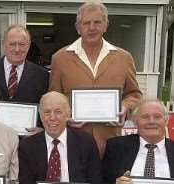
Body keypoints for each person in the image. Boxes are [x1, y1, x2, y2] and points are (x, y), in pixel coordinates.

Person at [49, 1, 142, 156]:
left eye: (97, 22)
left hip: (111, 142)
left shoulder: (124, 58)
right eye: (86, 23)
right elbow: (53, 97)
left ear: (106, 25)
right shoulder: (60, 58)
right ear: (78, 28)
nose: (92, 28)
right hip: (73, 142)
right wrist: (65, 116)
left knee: (110, 181)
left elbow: (135, 95)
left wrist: (124, 107)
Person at [0, 24, 49, 105]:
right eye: (12, 44)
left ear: (28, 46)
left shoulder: (42, 76)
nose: (17, 49)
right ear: (3, 45)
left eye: (21, 44)